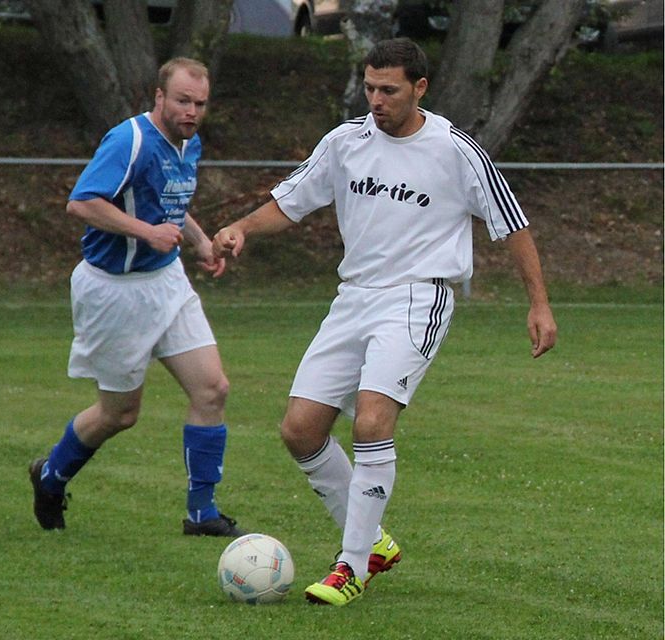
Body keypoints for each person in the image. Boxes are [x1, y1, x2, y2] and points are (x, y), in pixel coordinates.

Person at [212, 37, 557, 606]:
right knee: (300, 430)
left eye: (389, 90)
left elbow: (511, 223)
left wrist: (538, 303)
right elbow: (290, 201)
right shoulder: (345, 142)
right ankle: (373, 541)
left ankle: (352, 565)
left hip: (418, 298)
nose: (376, 100)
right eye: (370, 88)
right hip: (354, 298)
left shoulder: (454, 149)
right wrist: (243, 228)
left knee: (372, 421)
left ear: (419, 88)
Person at [28, 57, 245, 538]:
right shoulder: (130, 140)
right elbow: (81, 202)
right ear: (159, 97)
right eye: (183, 101)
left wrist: (202, 243)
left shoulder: (190, 143)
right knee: (119, 414)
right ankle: (50, 476)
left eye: (201, 104)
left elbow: (172, 206)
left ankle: (202, 512)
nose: (192, 111)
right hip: (113, 291)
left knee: (213, 389)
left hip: (166, 283)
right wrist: (145, 232)